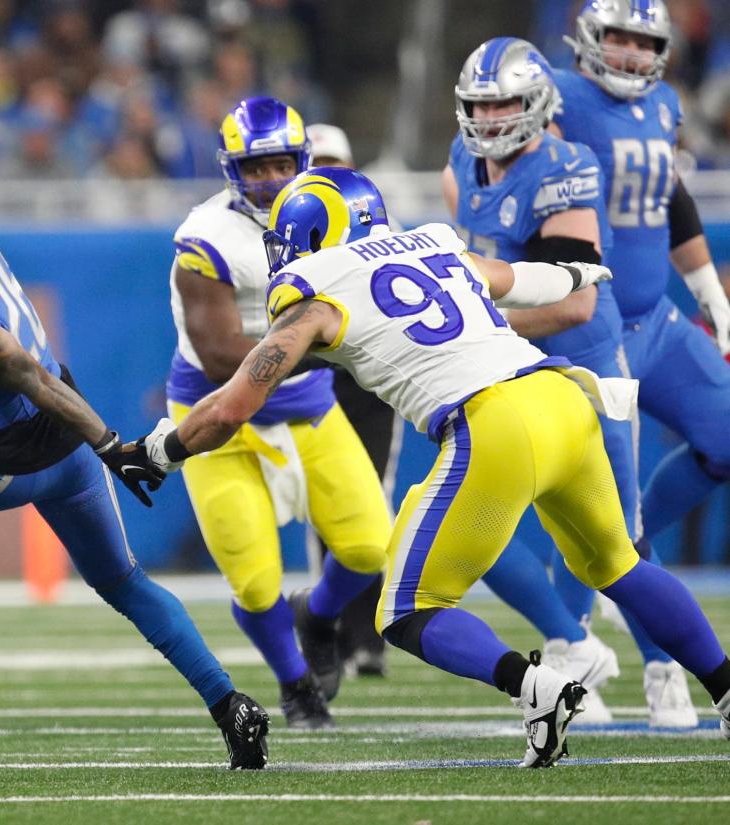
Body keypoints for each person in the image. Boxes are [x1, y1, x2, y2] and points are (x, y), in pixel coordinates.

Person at [139, 167, 730, 767]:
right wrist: (579, 273)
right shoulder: (434, 243)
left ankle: (537, 689)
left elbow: (232, 406)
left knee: (405, 612)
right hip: (562, 398)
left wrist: (161, 451)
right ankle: (727, 687)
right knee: (620, 564)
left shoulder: (312, 295)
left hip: (493, 425)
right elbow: (521, 281)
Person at [0, 144, 269, 769]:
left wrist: (112, 444)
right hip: (67, 449)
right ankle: (232, 706)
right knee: (125, 582)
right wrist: (99, 446)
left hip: (2, 458)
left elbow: (18, 367)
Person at [444, 37, 696, 727]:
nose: (490, 120)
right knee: (476, 514)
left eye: (504, 105)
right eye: (479, 106)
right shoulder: (461, 161)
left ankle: (665, 664)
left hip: (583, 365)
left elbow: (574, 302)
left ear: (536, 104)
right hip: (513, 366)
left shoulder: (564, 168)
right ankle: (571, 642)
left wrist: (472, 317)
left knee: (615, 539)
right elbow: (466, 229)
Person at [164, 96, 390, 728]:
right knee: (257, 583)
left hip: (308, 409)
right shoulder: (206, 236)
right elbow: (216, 356)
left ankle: (317, 619)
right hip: (220, 419)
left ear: (304, 159)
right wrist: (330, 349)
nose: (268, 178)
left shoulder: (336, 210)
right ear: (232, 168)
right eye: (255, 166)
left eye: (280, 163)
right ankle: (296, 686)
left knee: (370, 546)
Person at [553, 1, 730, 560]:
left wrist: (710, 294)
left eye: (645, 42)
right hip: (593, 323)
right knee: (600, 486)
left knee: (725, 439)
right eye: (619, 38)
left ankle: (635, 543)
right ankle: (590, 605)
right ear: (589, 36)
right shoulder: (559, 96)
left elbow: (670, 202)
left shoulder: (662, 104)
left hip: (657, 318)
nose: (633, 53)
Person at [305, 121, 399, 680]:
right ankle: (333, 629)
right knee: (325, 508)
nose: (329, 175)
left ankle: (369, 635)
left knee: (373, 503)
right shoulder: (288, 226)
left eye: (335, 163)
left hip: (369, 383)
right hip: (315, 383)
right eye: (317, 165)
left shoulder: (381, 223)